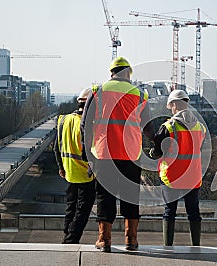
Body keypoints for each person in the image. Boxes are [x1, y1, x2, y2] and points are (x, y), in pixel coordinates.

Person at [81, 57, 154, 252]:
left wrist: (86, 153)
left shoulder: (98, 91)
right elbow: (147, 127)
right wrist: (158, 143)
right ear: (128, 73)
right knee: (131, 196)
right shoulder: (140, 94)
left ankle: (104, 240)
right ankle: (131, 240)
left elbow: (86, 125)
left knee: (105, 196)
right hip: (131, 153)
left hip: (105, 153)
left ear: (111, 73)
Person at [150, 89, 206, 246]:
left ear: (174, 104)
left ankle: (168, 247)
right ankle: (196, 246)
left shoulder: (169, 126)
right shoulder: (200, 127)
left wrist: (153, 152)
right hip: (193, 177)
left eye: (171, 106)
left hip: (172, 177)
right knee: (194, 213)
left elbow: (157, 150)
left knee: (169, 212)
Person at [54, 88, 96, 244]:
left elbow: (56, 147)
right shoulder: (88, 125)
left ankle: (67, 235)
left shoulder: (63, 120)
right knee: (82, 211)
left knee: (71, 208)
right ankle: (71, 239)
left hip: (69, 173)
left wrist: (61, 167)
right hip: (86, 174)